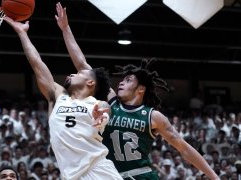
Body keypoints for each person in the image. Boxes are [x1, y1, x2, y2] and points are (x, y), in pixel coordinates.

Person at [55, 2, 220, 179]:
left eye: (128, 80)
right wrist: (66, 29)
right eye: (122, 80)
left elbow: (183, 148)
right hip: (111, 176)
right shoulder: (111, 102)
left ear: (141, 89)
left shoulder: (153, 116)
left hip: (142, 175)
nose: (121, 83)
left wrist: (214, 177)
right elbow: (82, 65)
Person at [4, 16, 123, 180]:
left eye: (78, 73)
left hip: (98, 171)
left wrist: (101, 117)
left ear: (90, 82)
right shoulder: (58, 96)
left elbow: (105, 111)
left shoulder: (97, 103)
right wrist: (22, 33)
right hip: (70, 175)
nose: (72, 73)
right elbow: (37, 64)